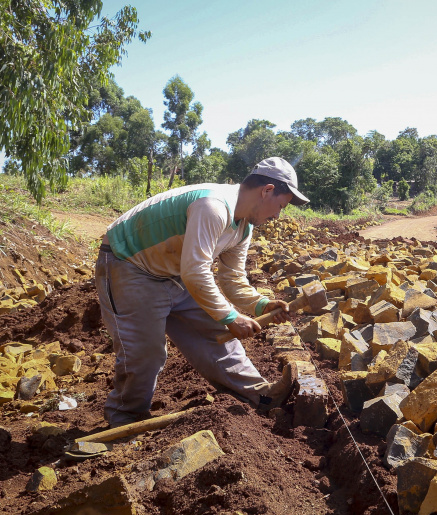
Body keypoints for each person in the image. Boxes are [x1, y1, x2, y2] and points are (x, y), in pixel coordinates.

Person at [95, 156, 309, 427]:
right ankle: (125, 418)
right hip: (130, 264)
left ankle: (261, 396)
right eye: (280, 206)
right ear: (267, 190)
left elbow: (231, 278)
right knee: (145, 351)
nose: (278, 215)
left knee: (212, 331)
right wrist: (231, 317)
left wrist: (260, 304)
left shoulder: (244, 227)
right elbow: (196, 272)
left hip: (174, 272)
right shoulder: (214, 207)